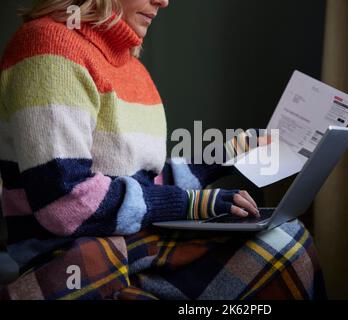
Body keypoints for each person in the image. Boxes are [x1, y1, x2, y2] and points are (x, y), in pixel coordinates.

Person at [0, 0, 325, 300]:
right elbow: (67, 202)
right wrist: (193, 204)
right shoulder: (48, 47)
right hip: (71, 251)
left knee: (287, 234)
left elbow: (141, 187)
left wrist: (226, 155)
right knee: (283, 248)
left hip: (132, 238)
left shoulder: (133, 70)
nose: (163, 1)